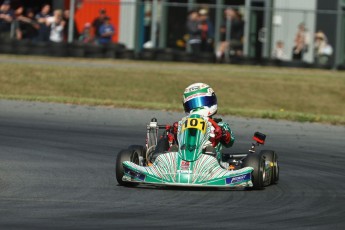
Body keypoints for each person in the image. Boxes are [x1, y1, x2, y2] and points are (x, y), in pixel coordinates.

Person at [152, 83, 235, 162]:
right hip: (183, 156)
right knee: (172, 143)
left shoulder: (220, 126)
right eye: (193, 104)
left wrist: (223, 133)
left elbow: (230, 142)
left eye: (202, 101)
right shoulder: (183, 123)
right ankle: (160, 158)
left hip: (211, 161)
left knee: (210, 149)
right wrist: (173, 132)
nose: (198, 107)